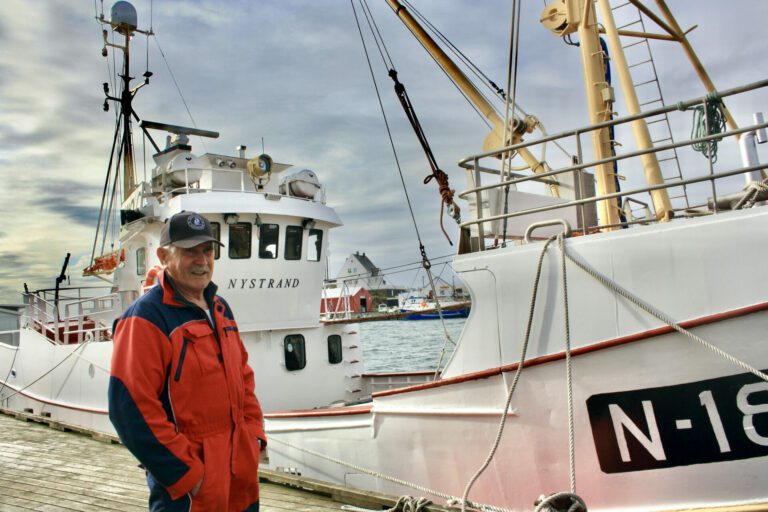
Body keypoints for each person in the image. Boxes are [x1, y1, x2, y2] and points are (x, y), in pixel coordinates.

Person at [108, 211, 265, 511]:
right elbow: (130, 410)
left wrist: (254, 436)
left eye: (207, 250)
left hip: (240, 474)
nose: (202, 261)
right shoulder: (145, 319)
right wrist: (187, 475)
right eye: (189, 252)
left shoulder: (220, 307)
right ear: (164, 256)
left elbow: (243, 377)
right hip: (190, 489)